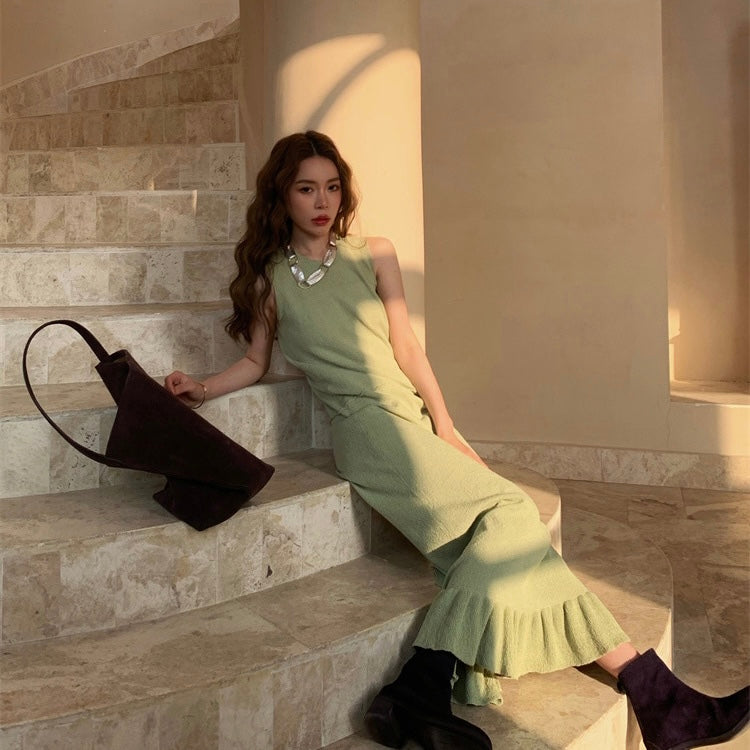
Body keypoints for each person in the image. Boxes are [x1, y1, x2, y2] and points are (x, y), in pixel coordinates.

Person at [165, 131, 749, 750]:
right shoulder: (270, 281)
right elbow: (254, 363)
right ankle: (427, 684)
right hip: (366, 432)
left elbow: (407, 348)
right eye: (306, 188)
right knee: (512, 511)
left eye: (332, 187)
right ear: (281, 195)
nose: (323, 201)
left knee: (522, 551)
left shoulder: (374, 253)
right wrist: (202, 387)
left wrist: (445, 424)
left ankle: (656, 700)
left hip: (412, 419)